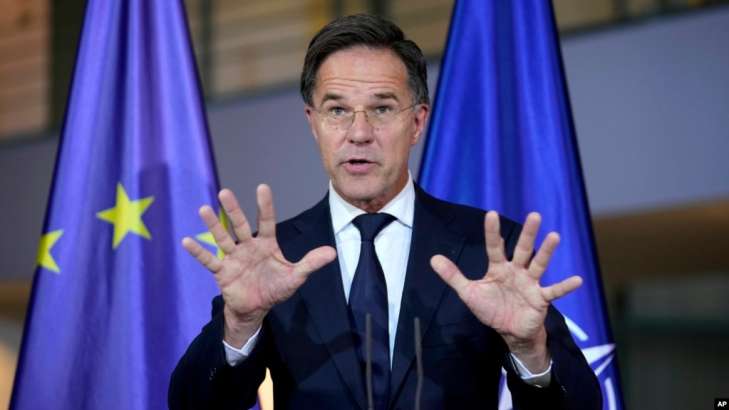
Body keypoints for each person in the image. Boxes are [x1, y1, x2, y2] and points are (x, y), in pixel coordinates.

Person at [169, 14, 601, 410]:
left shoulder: (486, 249)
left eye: (382, 108)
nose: (359, 133)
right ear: (313, 122)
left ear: (417, 122)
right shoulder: (273, 256)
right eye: (337, 110)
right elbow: (192, 405)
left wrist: (529, 350)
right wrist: (240, 325)